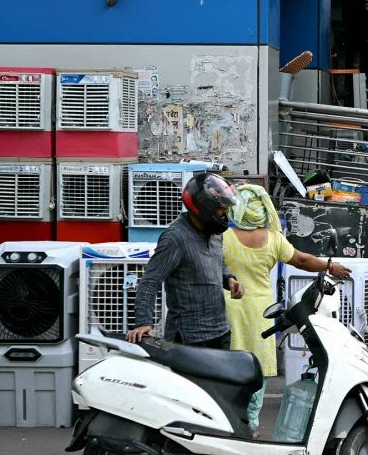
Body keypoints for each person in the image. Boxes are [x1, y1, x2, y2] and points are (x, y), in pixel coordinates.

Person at [221, 183, 351, 436]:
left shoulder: (223, 238)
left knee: (228, 363)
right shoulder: (273, 240)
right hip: (261, 310)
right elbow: (302, 260)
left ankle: (227, 420)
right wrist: (330, 266)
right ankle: (251, 423)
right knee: (258, 365)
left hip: (229, 308)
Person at [127, 172, 244, 348]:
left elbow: (217, 263)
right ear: (204, 208)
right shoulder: (175, 239)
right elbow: (150, 282)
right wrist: (143, 322)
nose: (226, 212)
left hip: (220, 331)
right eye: (222, 207)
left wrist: (229, 280)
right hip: (189, 337)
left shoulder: (214, 233)